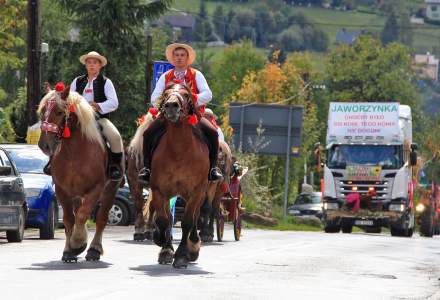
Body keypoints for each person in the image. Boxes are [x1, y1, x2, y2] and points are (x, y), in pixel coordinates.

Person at [139, 43, 222, 183]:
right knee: (148, 133)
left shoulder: (196, 74)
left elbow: (208, 94)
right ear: (172, 58)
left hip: (191, 116)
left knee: (213, 133)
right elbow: (155, 97)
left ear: (187, 58)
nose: (179, 58)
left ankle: (212, 169)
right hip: (168, 115)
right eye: (176, 55)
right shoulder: (166, 76)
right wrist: (164, 104)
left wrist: (192, 100)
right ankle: (147, 169)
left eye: (182, 55)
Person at [70, 51, 124, 180]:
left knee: (115, 137)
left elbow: (114, 103)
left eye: (95, 62)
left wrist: (98, 105)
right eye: (89, 62)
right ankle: (52, 162)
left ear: (100, 66)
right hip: (77, 119)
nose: (92, 65)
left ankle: (114, 167)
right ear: (85, 65)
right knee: (58, 133)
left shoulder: (106, 82)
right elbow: (69, 98)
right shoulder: (77, 81)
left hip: (99, 119)